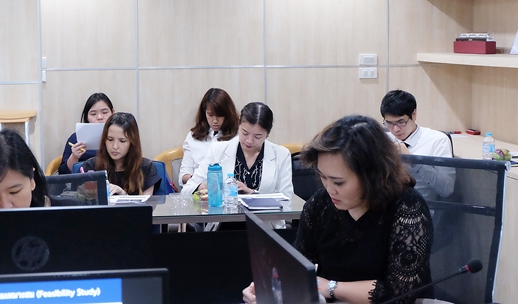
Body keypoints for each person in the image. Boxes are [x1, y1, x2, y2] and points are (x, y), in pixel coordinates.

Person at [242, 115, 433, 304]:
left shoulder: (407, 207)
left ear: (372, 176)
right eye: (323, 177)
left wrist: (330, 287)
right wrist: (270, 287)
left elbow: (399, 293)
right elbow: (299, 266)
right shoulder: (319, 205)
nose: (329, 189)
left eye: (338, 182)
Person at [181, 102, 292, 198]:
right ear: (239, 125)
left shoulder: (281, 155)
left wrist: (253, 194)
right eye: (245, 133)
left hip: (266, 217)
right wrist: (202, 186)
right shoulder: (218, 150)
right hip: (225, 216)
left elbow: (288, 199)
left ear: (267, 134)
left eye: (257, 136)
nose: (249, 141)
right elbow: (186, 190)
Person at [380, 89, 455, 202]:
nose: (395, 129)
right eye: (389, 123)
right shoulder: (384, 140)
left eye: (401, 122)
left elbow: (446, 189)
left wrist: (413, 160)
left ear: (414, 114)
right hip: (385, 205)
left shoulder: (437, 140)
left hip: (421, 207)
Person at [81, 112, 161, 195]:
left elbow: (146, 202)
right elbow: (78, 197)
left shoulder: (146, 167)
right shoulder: (91, 166)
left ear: (132, 142)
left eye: (122, 141)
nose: (115, 146)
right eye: (110, 139)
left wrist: (123, 194)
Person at [178, 88, 239, 186]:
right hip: (200, 189)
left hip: (228, 189)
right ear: (204, 113)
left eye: (220, 115)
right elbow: (183, 176)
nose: (215, 120)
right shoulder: (193, 137)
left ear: (228, 114)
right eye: (210, 115)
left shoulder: (237, 137)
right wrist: (198, 182)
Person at [58, 92, 114, 174]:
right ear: (87, 117)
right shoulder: (76, 138)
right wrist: (74, 156)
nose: (99, 117)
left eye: (105, 112)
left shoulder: (119, 137)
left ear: (112, 112)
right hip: (83, 180)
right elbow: (63, 173)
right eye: (93, 114)